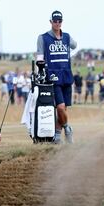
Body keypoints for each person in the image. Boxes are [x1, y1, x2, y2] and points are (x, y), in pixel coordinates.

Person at [36, 10, 77, 144]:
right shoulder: (43, 37)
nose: (57, 23)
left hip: (66, 74)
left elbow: (74, 45)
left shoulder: (66, 36)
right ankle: (67, 128)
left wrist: (64, 39)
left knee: (63, 108)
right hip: (53, 76)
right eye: (55, 21)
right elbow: (40, 56)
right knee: (59, 107)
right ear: (51, 22)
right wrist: (40, 68)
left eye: (60, 21)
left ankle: (58, 136)